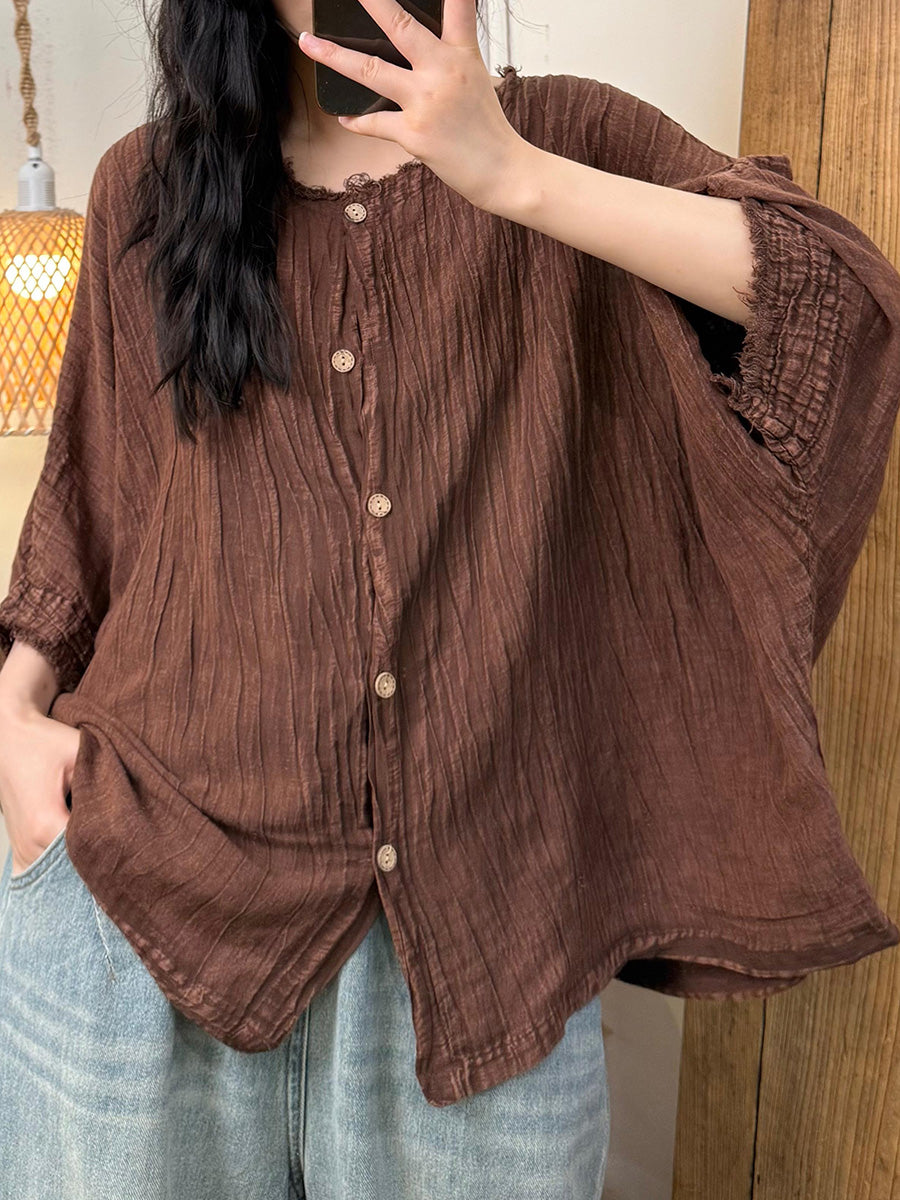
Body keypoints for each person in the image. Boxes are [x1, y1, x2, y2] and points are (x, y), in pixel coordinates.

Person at [2, 0, 900, 1196]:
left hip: (487, 956)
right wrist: (11, 718)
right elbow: (92, 510)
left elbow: (843, 308)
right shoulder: (150, 188)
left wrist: (512, 175)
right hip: (141, 914)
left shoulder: (568, 137)